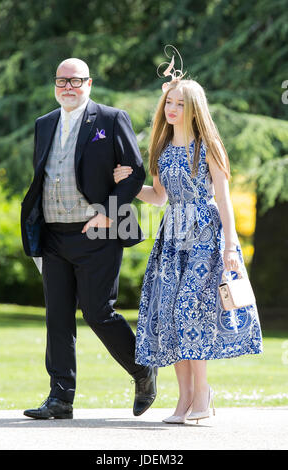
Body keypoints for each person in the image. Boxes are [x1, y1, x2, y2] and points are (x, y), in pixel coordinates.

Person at [113, 73, 263, 424]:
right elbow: (159, 196)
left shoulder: (209, 146)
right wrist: (130, 185)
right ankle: (184, 402)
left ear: (194, 108)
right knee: (169, 316)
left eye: (181, 103)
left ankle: (203, 393)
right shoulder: (162, 149)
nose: (173, 108)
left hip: (206, 235)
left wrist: (230, 246)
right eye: (169, 102)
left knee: (188, 311)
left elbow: (223, 200)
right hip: (172, 235)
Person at [20, 58, 157, 420]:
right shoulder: (44, 123)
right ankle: (60, 398)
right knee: (58, 317)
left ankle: (143, 371)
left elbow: (134, 173)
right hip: (53, 234)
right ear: (55, 85)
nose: (67, 87)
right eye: (61, 81)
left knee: (98, 313)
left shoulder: (111, 119)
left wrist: (108, 212)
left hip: (97, 232)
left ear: (89, 83)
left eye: (75, 81)